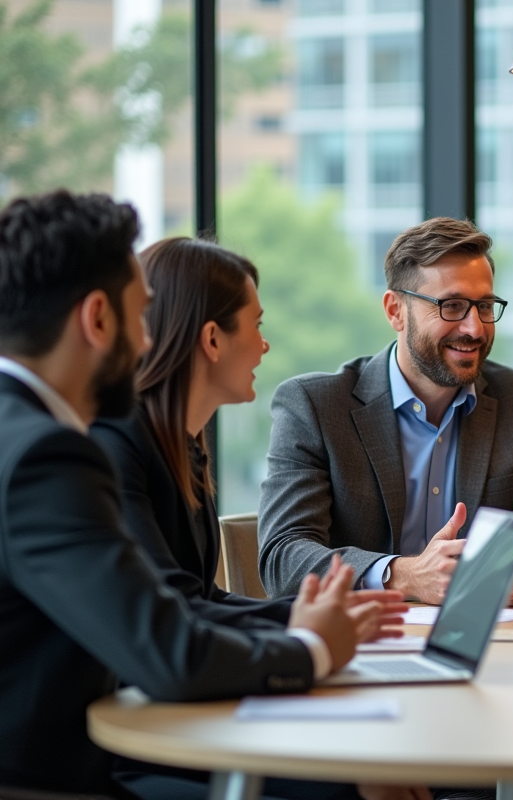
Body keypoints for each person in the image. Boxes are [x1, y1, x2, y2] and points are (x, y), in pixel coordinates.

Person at [0, 191, 381, 797]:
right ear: (97, 319)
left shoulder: (27, 436)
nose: (150, 343)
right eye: (139, 317)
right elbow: (167, 652)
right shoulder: (47, 458)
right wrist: (309, 647)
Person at [89, 237, 421, 800]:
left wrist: (314, 615)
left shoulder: (183, 447)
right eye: (256, 325)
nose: (266, 346)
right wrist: (306, 636)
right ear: (213, 339)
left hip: (178, 703)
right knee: (373, 781)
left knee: (389, 771)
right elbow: (176, 611)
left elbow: (201, 598)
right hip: (136, 731)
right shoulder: (116, 447)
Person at [258, 217, 513, 604]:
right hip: (364, 644)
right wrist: (400, 575)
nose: (474, 328)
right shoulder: (314, 407)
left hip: (486, 643)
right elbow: (283, 556)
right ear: (395, 311)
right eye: (452, 306)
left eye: (485, 306)